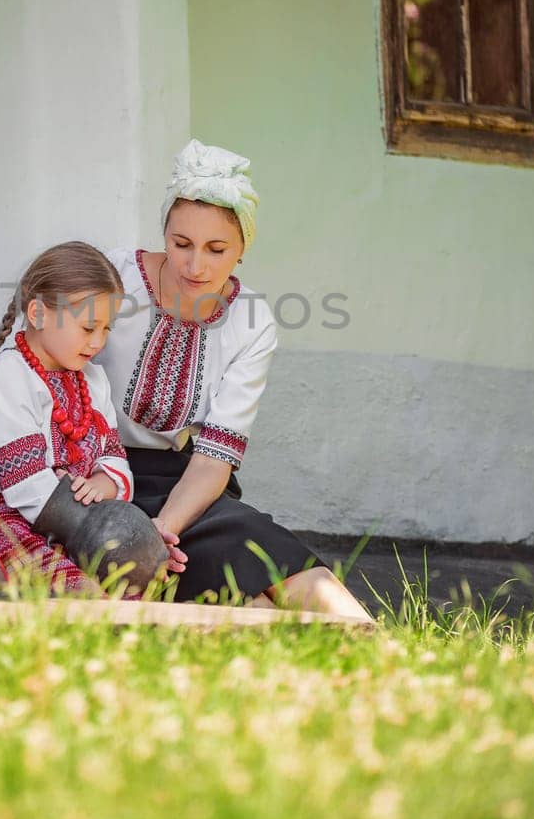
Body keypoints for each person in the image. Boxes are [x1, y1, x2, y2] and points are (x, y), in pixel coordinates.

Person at [96, 140, 372, 620]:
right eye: (181, 244)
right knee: (248, 602)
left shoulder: (251, 321)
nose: (195, 265)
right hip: (98, 477)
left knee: (271, 559)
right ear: (164, 234)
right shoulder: (113, 276)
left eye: (216, 249)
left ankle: (382, 653)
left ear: (242, 248)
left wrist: (160, 534)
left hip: (186, 487)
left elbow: (212, 460)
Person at [0, 241, 185, 593]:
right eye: (88, 328)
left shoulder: (92, 380)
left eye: (107, 329)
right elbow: (27, 488)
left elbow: (113, 457)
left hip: (82, 524)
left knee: (140, 583)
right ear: (38, 314)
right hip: (16, 524)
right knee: (82, 597)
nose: (98, 341)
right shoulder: (10, 377)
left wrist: (109, 491)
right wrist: (110, 532)